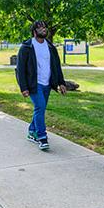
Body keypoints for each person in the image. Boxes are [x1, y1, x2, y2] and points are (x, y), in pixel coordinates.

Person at [16, 21, 66, 150]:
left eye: (45, 27)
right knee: (40, 106)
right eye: (40, 27)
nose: (44, 29)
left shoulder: (50, 46)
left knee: (40, 109)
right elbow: (20, 69)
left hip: (47, 83)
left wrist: (61, 82)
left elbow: (56, 66)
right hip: (34, 84)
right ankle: (42, 137)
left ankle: (32, 131)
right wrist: (24, 87)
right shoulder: (26, 47)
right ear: (34, 31)